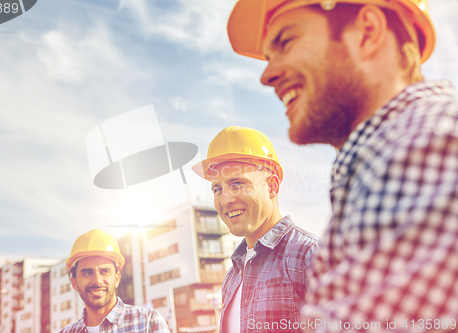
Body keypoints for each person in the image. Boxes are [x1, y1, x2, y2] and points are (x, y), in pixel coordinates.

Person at [227, 0, 458, 330]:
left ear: (367, 32)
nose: (267, 75)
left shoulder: (426, 148)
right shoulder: (378, 166)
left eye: (286, 42)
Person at [192, 126, 319, 332]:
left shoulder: (311, 255)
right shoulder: (232, 278)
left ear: (272, 187)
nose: (226, 200)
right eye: (218, 189)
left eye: (237, 184)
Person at [60, 229, 170, 333]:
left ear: (117, 278)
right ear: (74, 282)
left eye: (105, 271)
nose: (97, 281)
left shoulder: (148, 323)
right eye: (87, 273)